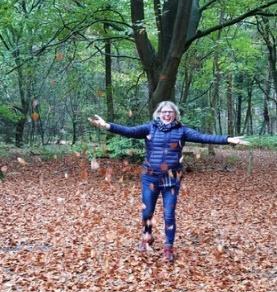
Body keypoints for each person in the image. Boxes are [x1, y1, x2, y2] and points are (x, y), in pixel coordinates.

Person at [88, 101, 248, 262]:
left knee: (169, 215)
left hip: (171, 180)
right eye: (164, 111)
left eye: (170, 112)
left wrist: (228, 139)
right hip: (150, 178)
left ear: (175, 114)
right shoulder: (149, 128)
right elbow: (128, 131)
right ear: (158, 113)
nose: (167, 114)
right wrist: (106, 126)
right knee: (147, 212)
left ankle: (168, 247)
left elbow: (203, 137)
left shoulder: (182, 131)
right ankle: (147, 236)